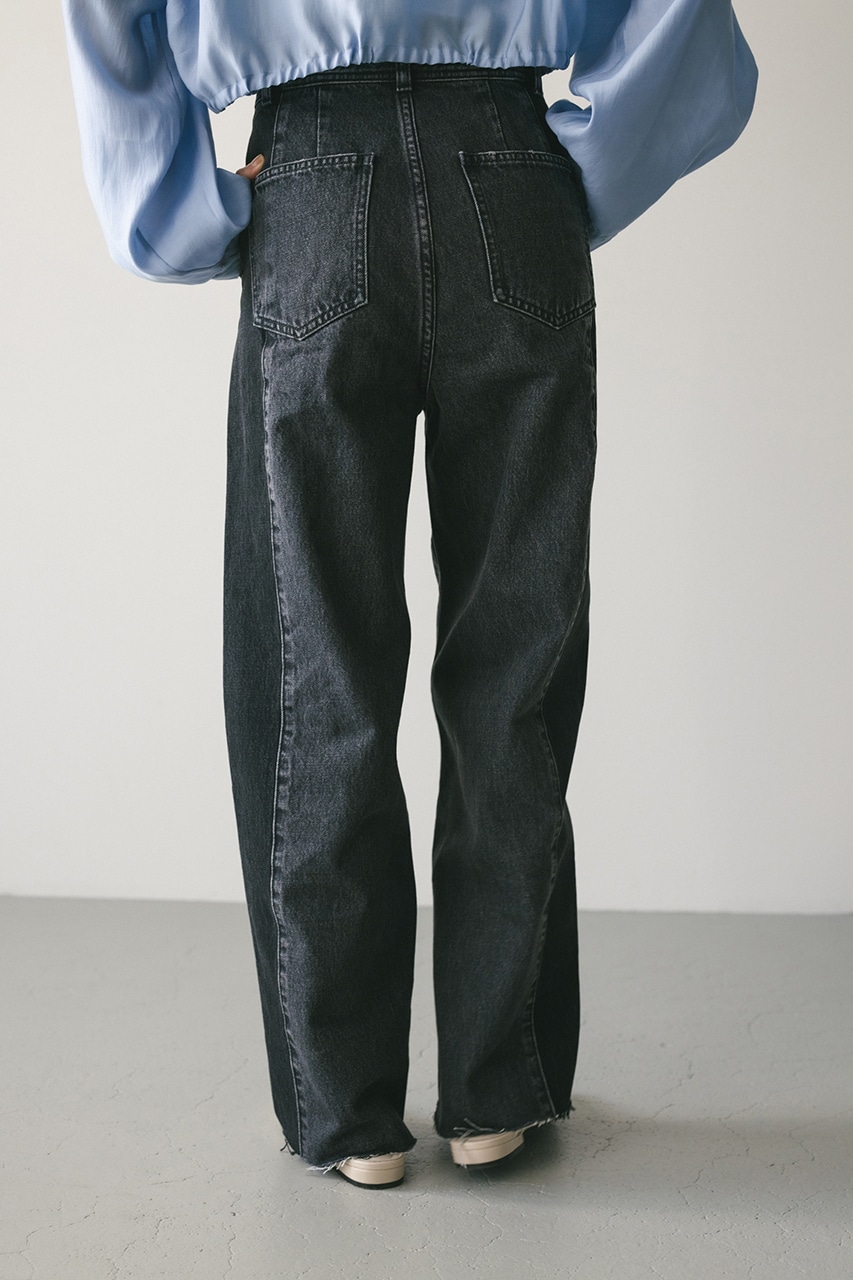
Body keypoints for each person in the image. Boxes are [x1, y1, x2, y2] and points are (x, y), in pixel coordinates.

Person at [61, 0, 758, 1189]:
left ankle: (348, 1113)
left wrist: (177, 213)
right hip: (508, 170)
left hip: (313, 181)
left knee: (316, 671)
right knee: (513, 671)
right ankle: (499, 1089)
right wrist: (570, 174)